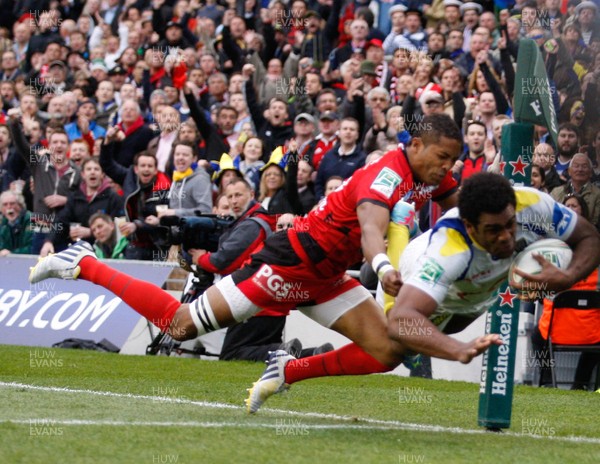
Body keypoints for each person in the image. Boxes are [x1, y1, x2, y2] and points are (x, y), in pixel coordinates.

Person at [28, 113, 464, 413]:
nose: (446, 168)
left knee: (389, 350)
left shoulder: (433, 174)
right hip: (289, 264)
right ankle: (85, 264)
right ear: (417, 145)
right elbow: (372, 230)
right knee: (180, 326)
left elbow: (463, 209)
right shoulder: (384, 175)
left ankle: (290, 370)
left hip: (327, 276)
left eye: (452, 161)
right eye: (441, 158)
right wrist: (387, 270)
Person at [0, 190, 32, 256]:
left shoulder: (32, 219)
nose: (9, 207)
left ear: (20, 205)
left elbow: (32, 247)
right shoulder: (3, 223)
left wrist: (11, 253)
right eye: (5, 204)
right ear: (1, 209)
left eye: (12, 203)